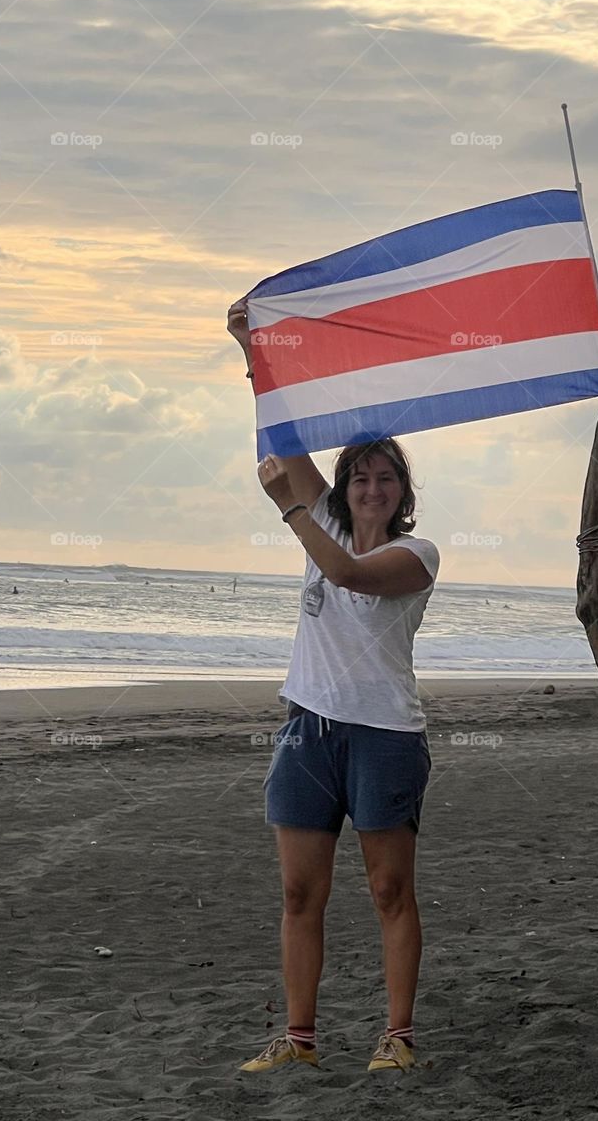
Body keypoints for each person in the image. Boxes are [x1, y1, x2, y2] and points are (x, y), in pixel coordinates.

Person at [227, 296, 440, 1076]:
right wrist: (253, 347)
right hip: (307, 732)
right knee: (297, 895)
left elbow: (348, 572)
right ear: (344, 486)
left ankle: (399, 1036)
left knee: (388, 891)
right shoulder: (325, 519)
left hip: (384, 735)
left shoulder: (420, 554)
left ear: (400, 490)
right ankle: (300, 1039)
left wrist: (288, 507)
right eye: (360, 477)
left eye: (385, 478)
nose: (372, 488)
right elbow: (282, 436)